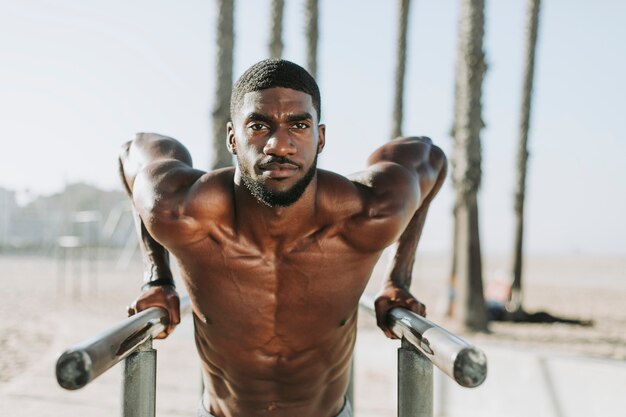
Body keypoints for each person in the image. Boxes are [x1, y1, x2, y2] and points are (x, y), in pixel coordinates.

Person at [119, 59, 447, 417]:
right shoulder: (183, 212)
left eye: (299, 125)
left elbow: (429, 155)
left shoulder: (366, 214)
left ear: (320, 137)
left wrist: (398, 279)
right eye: (259, 126)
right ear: (233, 137)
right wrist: (158, 277)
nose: (280, 145)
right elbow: (131, 153)